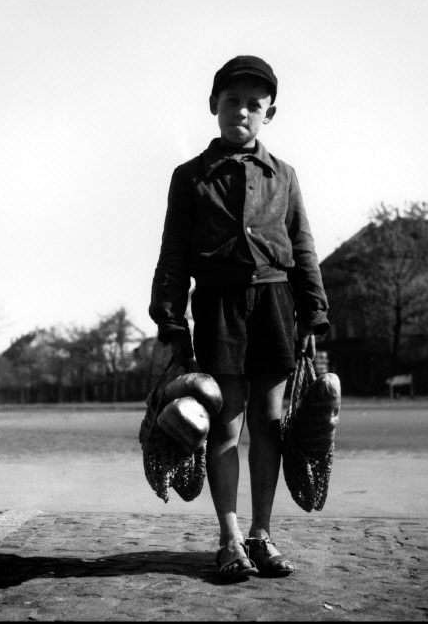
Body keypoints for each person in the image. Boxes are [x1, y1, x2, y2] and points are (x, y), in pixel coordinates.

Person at [149, 55, 329, 582]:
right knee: (224, 428)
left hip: (275, 305)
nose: (242, 112)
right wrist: (171, 320)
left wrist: (314, 313)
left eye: (255, 104)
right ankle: (229, 538)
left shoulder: (286, 176)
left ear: (269, 113)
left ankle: (262, 534)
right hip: (218, 307)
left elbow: (304, 248)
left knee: (269, 425)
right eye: (232, 102)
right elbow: (173, 254)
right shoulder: (189, 178)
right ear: (214, 107)